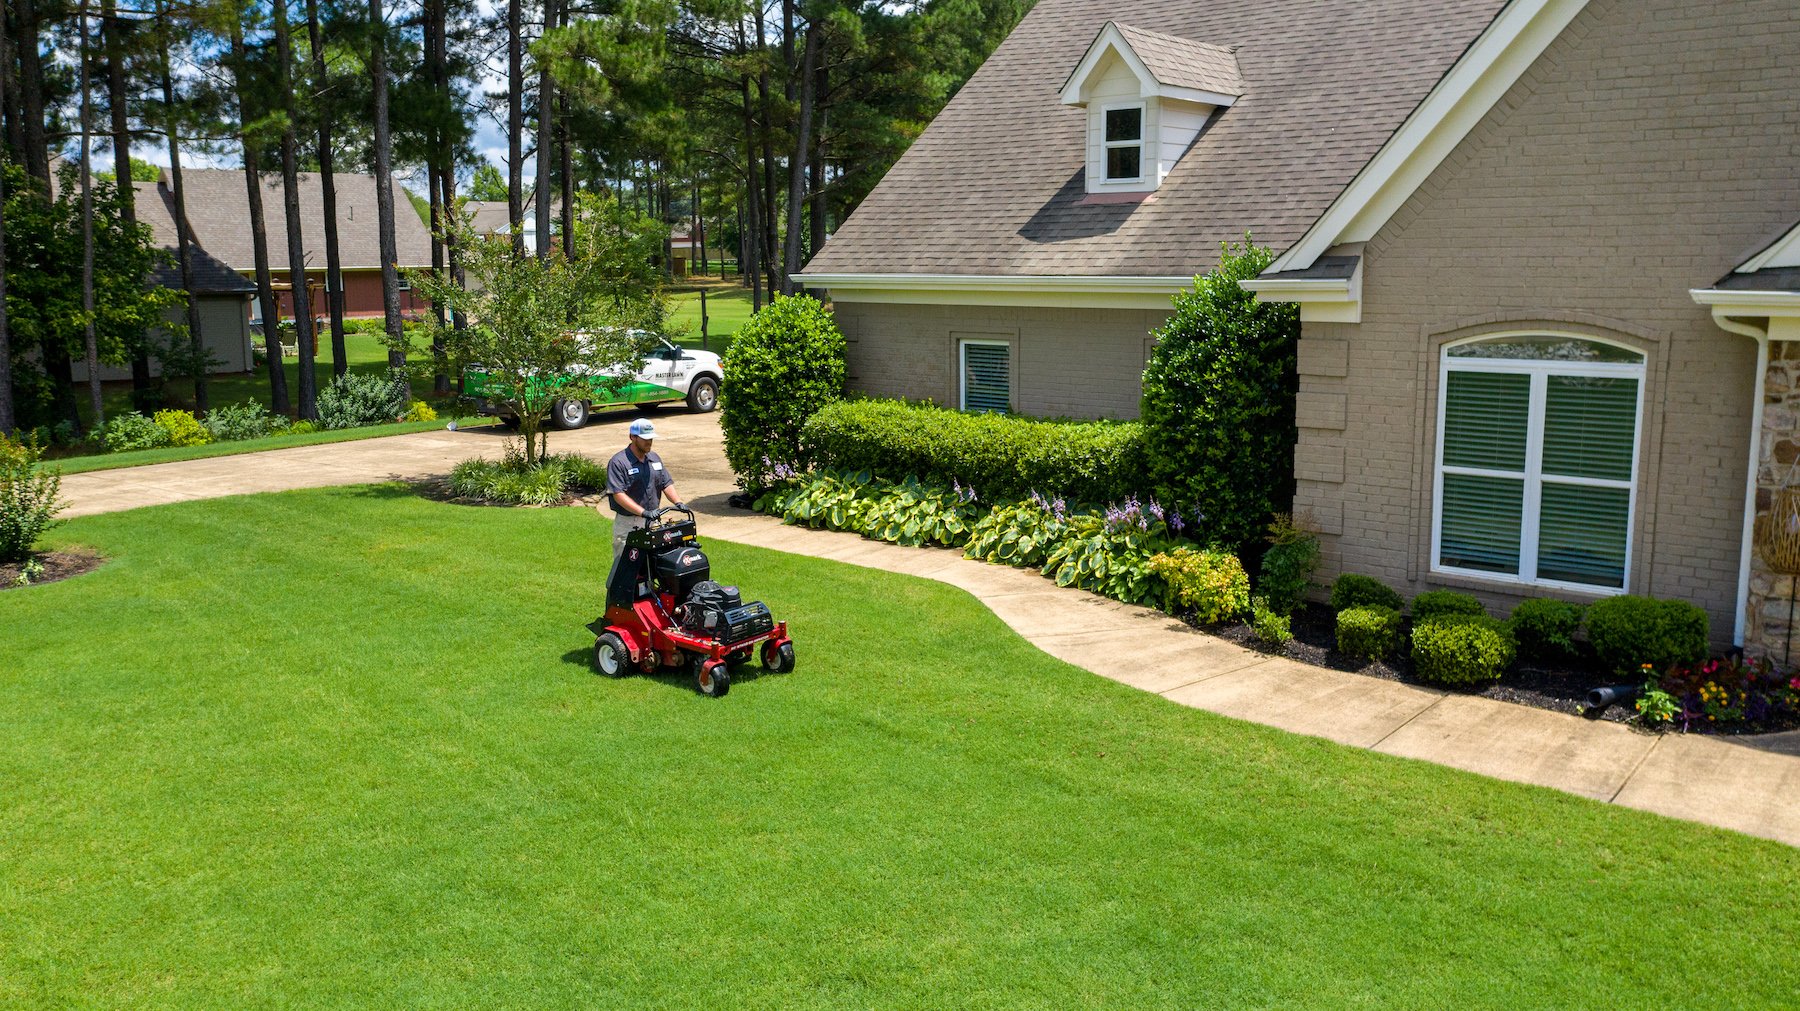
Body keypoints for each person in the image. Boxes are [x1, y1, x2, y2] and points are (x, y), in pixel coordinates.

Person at [604, 417, 686, 561]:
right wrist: (643, 512)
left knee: (654, 566)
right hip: (629, 524)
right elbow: (618, 494)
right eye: (645, 438)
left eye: (651, 438)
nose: (649, 442)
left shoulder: (654, 458)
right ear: (632, 437)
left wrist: (678, 502)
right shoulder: (618, 462)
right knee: (626, 569)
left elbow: (665, 483)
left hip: (652, 521)